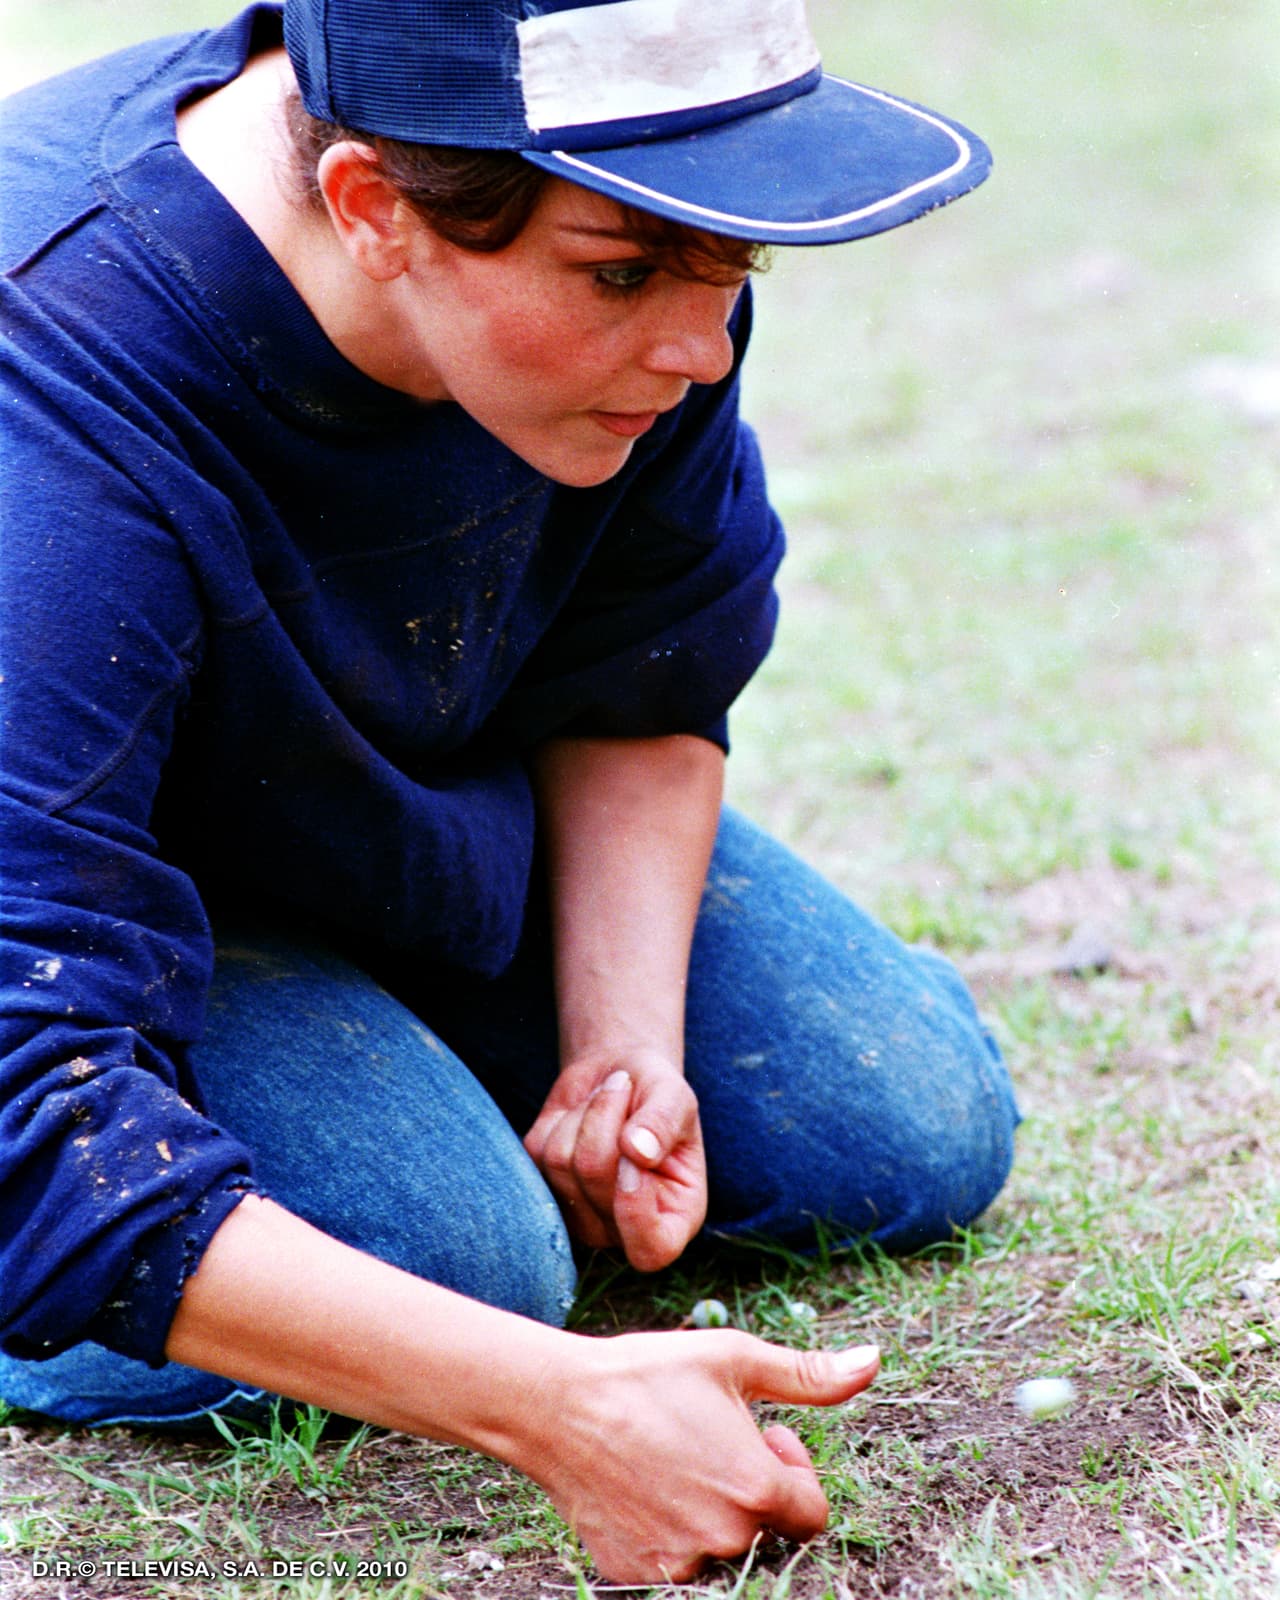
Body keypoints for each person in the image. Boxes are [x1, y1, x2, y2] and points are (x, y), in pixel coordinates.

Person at [0, 0, 1019, 1583]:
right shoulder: (50, 396)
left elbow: (643, 677)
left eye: (732, 263)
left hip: (334, 815)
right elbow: (26, 1102)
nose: (698, 350)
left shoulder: (651, 246)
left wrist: (624, 1054)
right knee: (457, 1259)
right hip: (59, 899)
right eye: (621, 273)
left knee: (898, 1122)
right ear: (369, 208)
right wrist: (559, 1412)